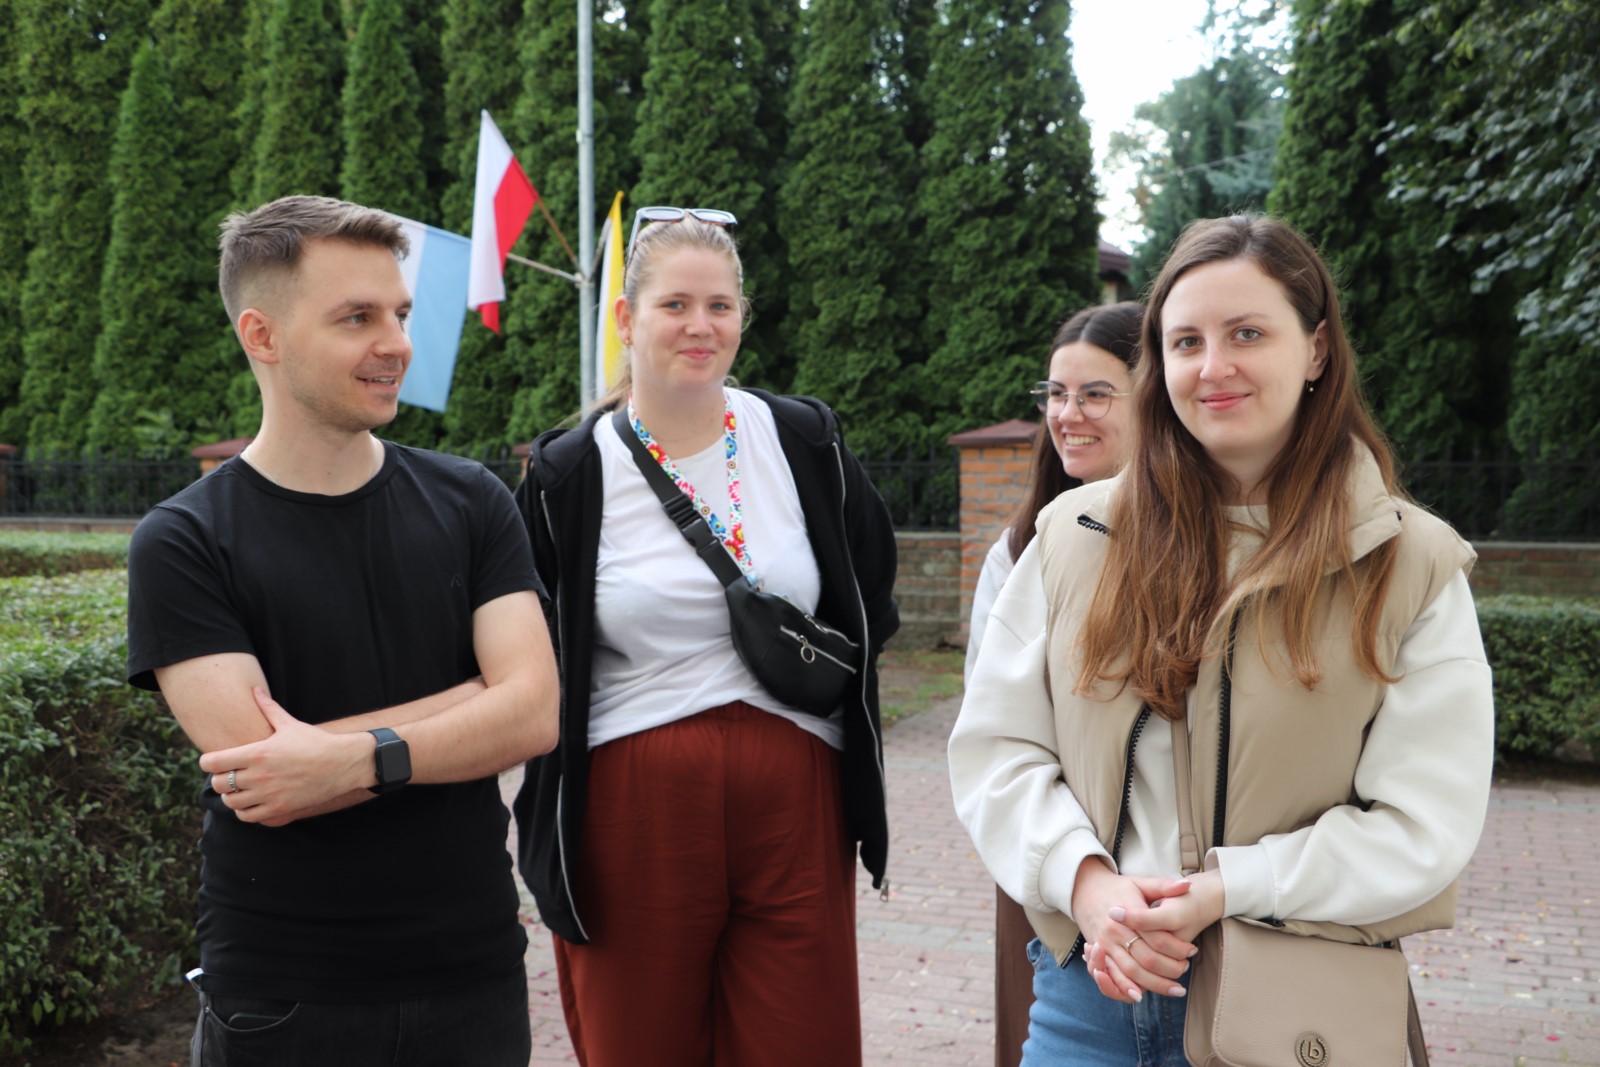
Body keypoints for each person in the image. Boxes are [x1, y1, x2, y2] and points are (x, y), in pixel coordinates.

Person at [949, 215, 1494, 1066]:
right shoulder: (1072, 537)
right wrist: (1086, 885)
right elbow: (997, 751)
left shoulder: (1409, 562)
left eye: (1247, 333)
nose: (1212, 367)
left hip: (1295, 1002)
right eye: (1186, 342)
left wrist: (1227, 888)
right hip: (1091, 999)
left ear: (1317, 349)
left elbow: (1424, 822)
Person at [125, 194, 559, 1067]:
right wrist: (475, 701)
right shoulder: (183, 540)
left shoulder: (473, 500)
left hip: (472, 974)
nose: (397, 342)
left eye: (400, 312)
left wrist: (353, 756)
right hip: (285, 993)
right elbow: (267, 776)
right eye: (357, 317)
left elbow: (535, 714)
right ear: (262, 335)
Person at [512, 207, 899, 1067]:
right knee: (640, 1045)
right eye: (676, 305)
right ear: (626, 318)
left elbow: (869, 587)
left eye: (720, 305)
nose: (701, 325)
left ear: (742, 317)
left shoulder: (802, 439)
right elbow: (531, 643)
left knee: (805, 1046)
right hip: (634, 809)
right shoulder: (570, 472)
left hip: (797, 801)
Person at [961, 301, 1142, 1067]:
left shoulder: (1202, 536)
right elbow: (992, 728)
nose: (1068, 414)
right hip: (1055, 862)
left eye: (1095, 393)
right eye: (1056, 394)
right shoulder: (1018, 549)